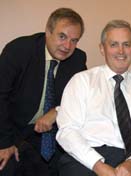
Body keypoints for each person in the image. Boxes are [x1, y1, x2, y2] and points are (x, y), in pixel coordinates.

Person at [56, 19, 131, 176]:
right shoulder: (82, 81)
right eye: (113, 44)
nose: (121, 51)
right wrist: (98, 165)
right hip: (85, 160)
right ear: (102, 49)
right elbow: (67, 131)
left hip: (130, 162)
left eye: (126, 45)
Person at [0, 7, 87, 176]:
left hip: (49, 134)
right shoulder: (19, 50)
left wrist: (57, 111)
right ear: (48, 31)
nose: (67, 46)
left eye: (74, 40)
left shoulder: (77, 59)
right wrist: (4, 142)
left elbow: (85, 98)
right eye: (62, 36)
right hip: (11, 129)